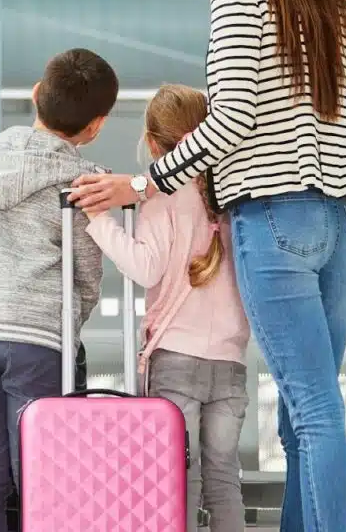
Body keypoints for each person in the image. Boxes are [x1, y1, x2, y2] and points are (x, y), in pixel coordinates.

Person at [69, 0, 346, 532]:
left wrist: (143, 183)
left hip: (276, 216)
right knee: (306, 412)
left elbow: (229, 120)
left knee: (311, 410)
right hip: (344, 227)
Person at [0, 48, 118, 532]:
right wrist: (67, 324)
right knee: (40, 474)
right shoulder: (84, 183)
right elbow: (86, 275)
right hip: (36, 336)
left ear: (36, 95)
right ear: (96, 124)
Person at [82, 84, 250, 532]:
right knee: (223, 478)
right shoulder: (234, 198)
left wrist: (99, 221)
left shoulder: (164, 195)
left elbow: (145, 267)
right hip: (231, 362)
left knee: (179, 477)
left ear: (153, 143)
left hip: (176, 357)